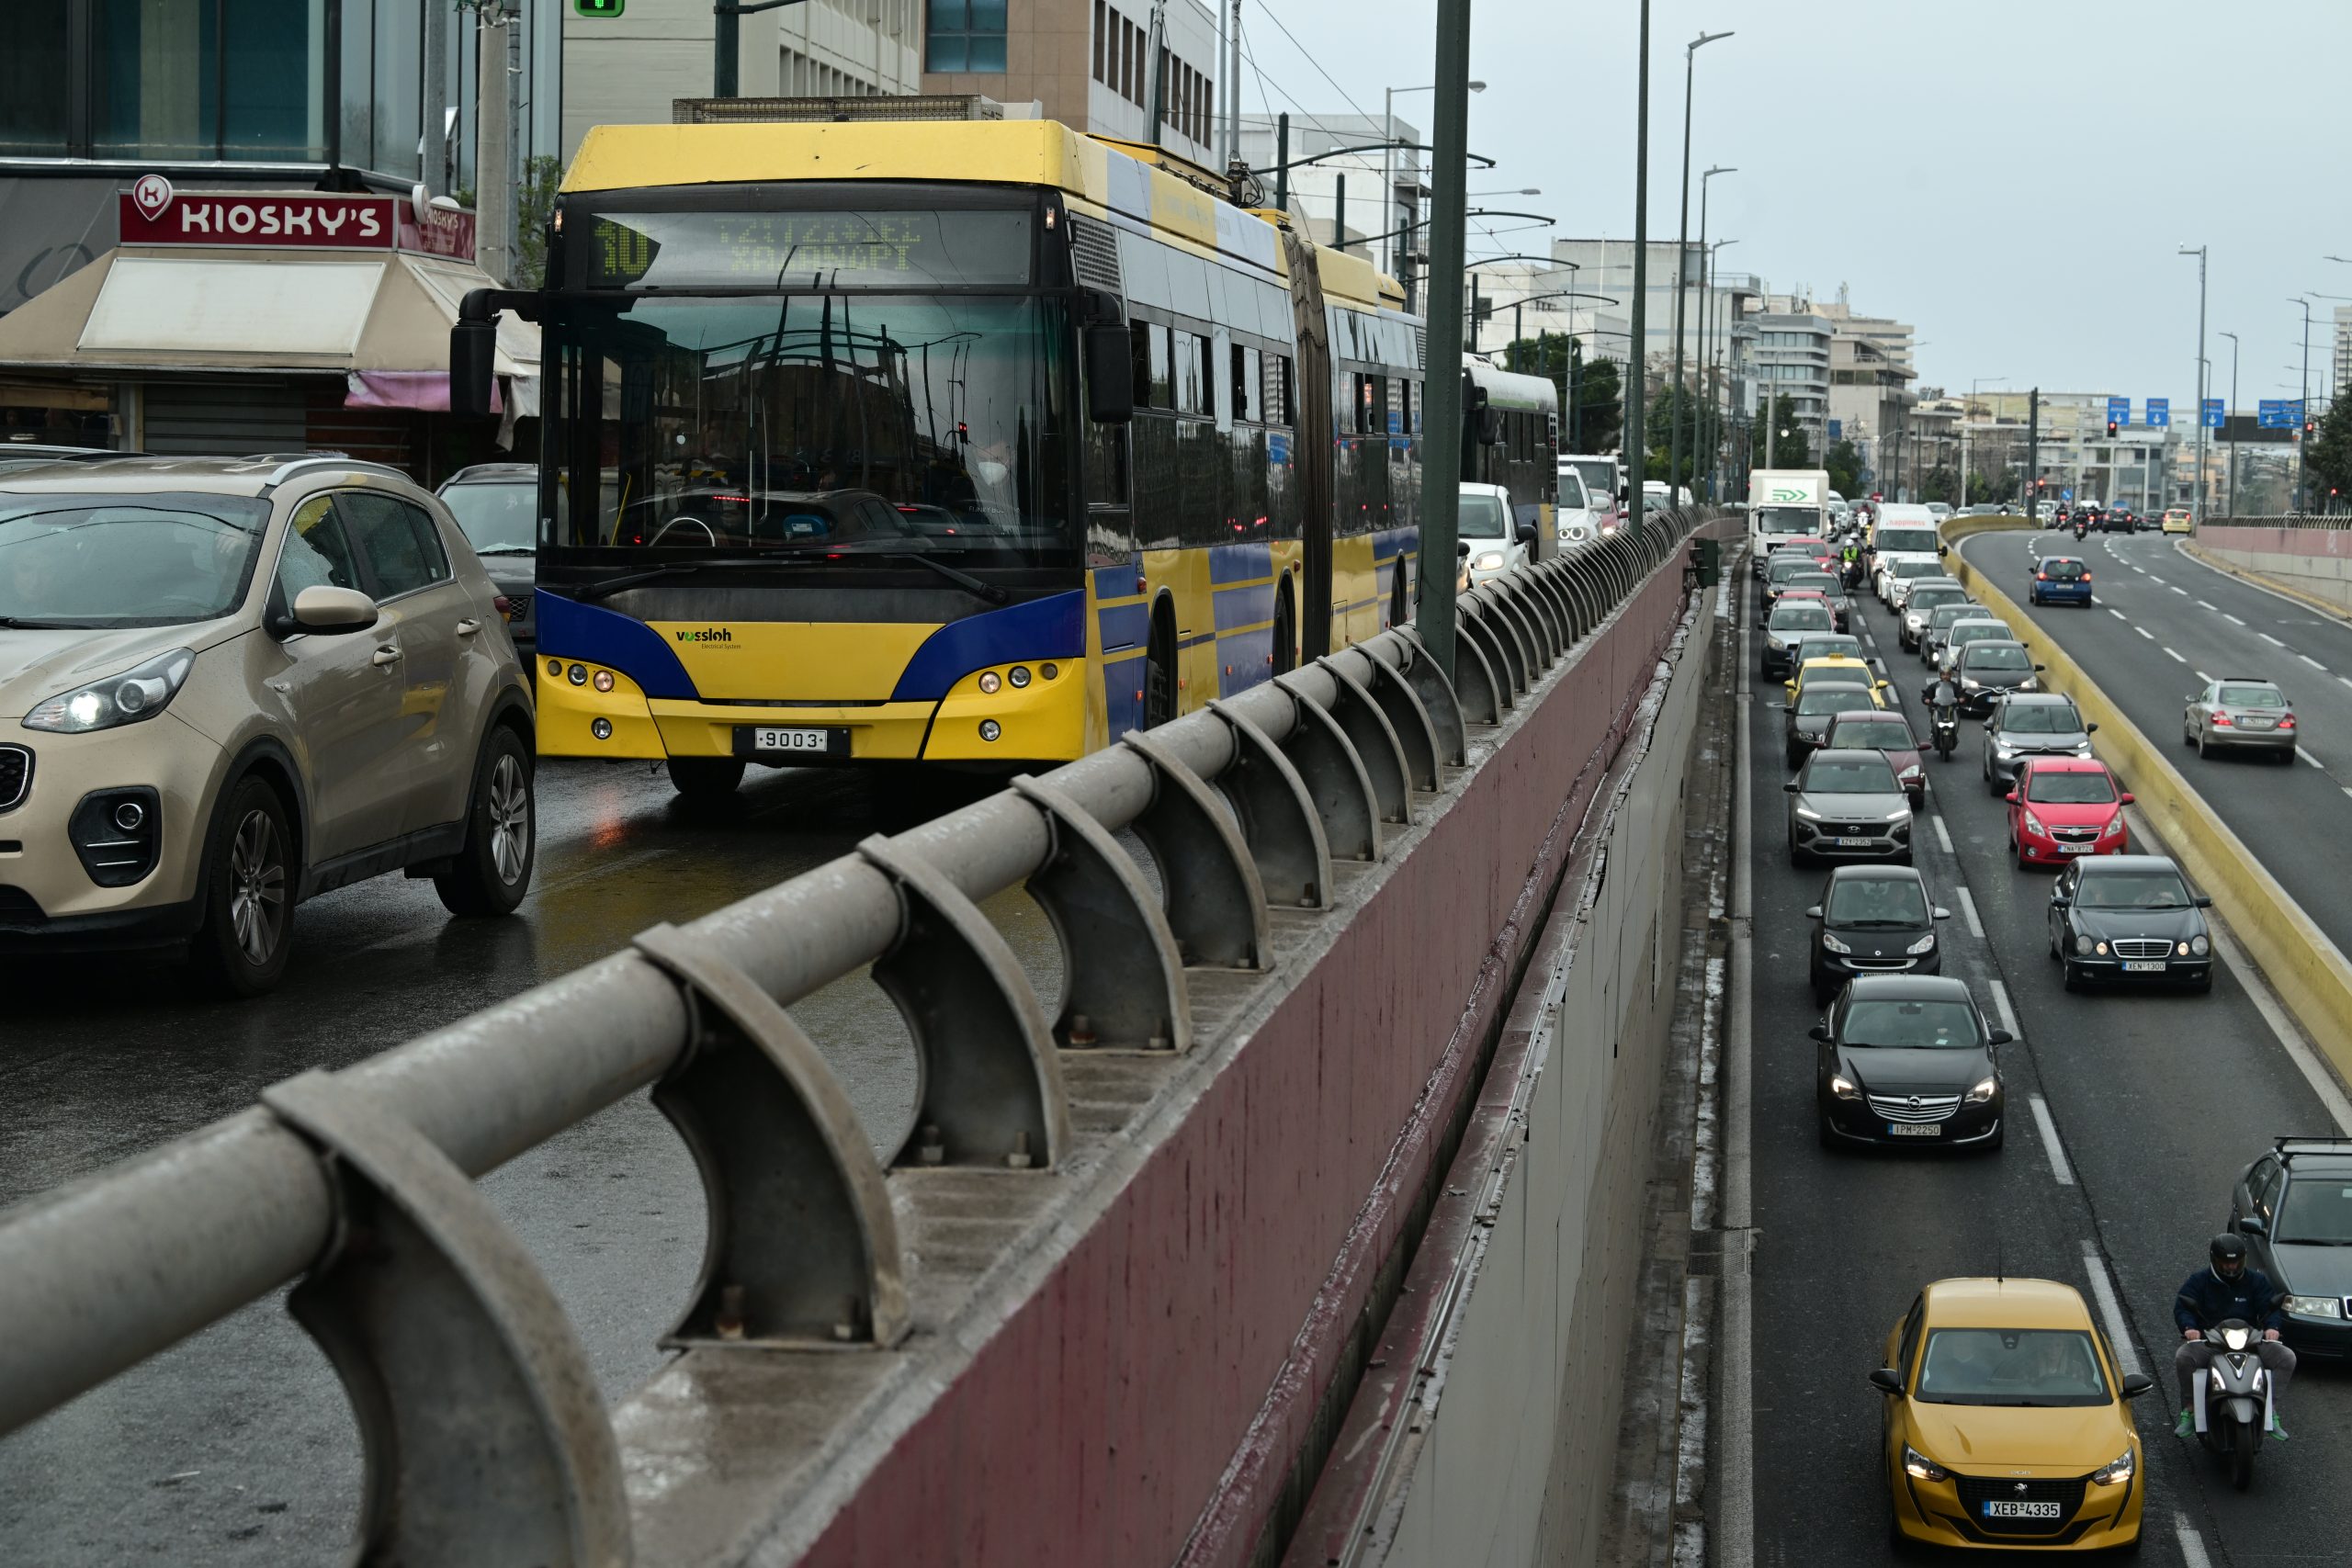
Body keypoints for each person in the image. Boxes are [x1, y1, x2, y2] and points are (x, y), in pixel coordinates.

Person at [2174, 1232, 2295, 1438]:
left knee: (2287, 1357)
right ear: (2215, 1260)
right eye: (2226, 1263)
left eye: (2236, 1263)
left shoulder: (2255, 1281)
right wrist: (2189, 1328)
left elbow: (2271, 1306)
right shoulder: (2199, 1281)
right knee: (2183, 1357)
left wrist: (2272, 1327)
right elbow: (2183, 1306)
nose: (2231, 1267)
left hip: (2250, 1339)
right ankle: (2191, 1408)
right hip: (2211, 1341)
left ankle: (2270, 1409)